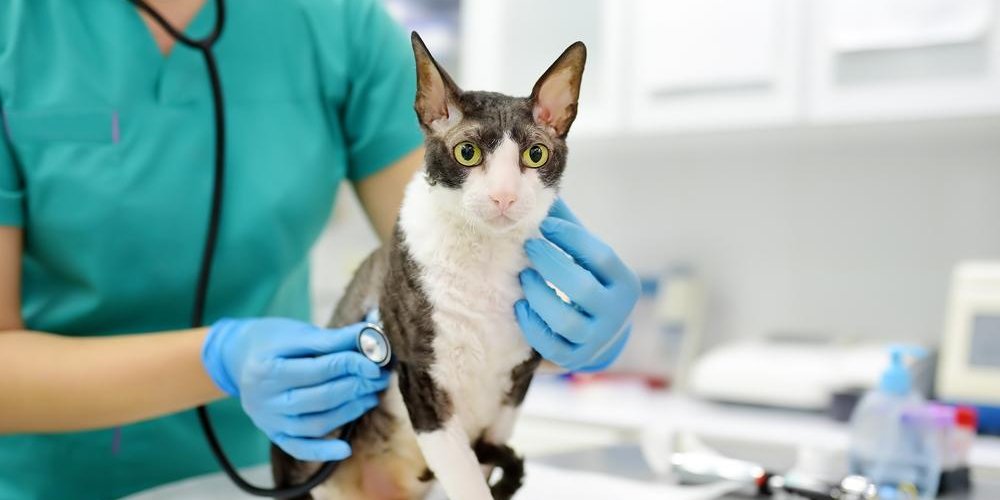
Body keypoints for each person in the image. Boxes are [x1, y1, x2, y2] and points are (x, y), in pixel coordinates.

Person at [0, 0, 640, 498]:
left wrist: (571, 317)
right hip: (51, 476)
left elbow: (451, 253)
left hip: (294, 458)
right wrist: (216, 358)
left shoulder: (335, 22)